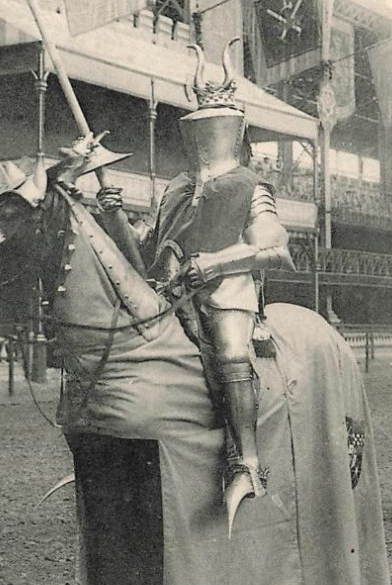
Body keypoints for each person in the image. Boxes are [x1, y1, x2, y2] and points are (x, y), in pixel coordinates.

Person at [96, 38, 295, 533]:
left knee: (230, 353)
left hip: (227, 294)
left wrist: (218, 263)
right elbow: (145, 251)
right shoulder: (176, 189)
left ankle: (248, 462)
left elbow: (276, 249)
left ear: (234, 131)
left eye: (214, 128)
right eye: (197, 129)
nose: (204, 137)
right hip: (169, 293)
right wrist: (115, 213)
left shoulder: (252, 186)